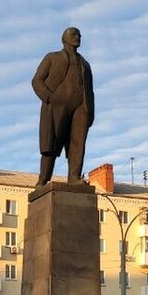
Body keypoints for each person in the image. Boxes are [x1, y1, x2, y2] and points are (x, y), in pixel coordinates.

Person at [32, 27, 95, 186]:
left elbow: (90, 90)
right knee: (51, 144)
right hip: (57, 105)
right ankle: (43, 180)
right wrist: (49, 97)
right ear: (64, 39)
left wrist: (90, 111)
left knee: (78, 143)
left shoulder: (85, 65)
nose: (78, 37)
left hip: (81, 107)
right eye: (74, 34)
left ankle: (74, 177)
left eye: (79, 35)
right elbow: (37, 80)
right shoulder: (52, 57)